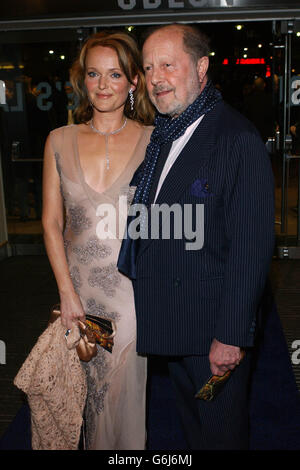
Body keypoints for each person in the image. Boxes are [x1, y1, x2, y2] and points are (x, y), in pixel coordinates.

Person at [118, 24, 275, 450]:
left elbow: (251, 248)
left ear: (202, 67)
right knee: (193, 434)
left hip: (212, 331)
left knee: (221, 437)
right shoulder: (165, 136)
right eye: (149, 68)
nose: (155, 78)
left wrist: (231, 335)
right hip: (176, 323)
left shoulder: (235, 138)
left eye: (168, 64)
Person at [42, 30, 154, 450]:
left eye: (115, 74)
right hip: (77, 295)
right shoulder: (59, 139)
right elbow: (51, 224)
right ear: (82, 80)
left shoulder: (152, 142)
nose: (104, 85)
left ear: (133, 82)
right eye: (94, 74)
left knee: (124, 404)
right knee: (83, 402)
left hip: (131, 297)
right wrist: (66, 295)